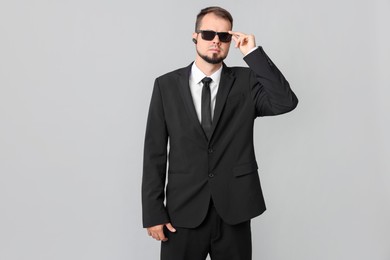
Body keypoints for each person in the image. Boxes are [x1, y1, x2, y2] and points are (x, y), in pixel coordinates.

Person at [142, 6, 298, 260]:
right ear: (195, 37)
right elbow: (154, 153)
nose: (216, 40)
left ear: (230, 41)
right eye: (208, 34)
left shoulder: (246, 81)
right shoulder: (165, 86)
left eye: (224, 36)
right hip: (182, 213)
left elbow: (285, 102)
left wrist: (253, 54)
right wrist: (153, 212)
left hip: (234, 210)